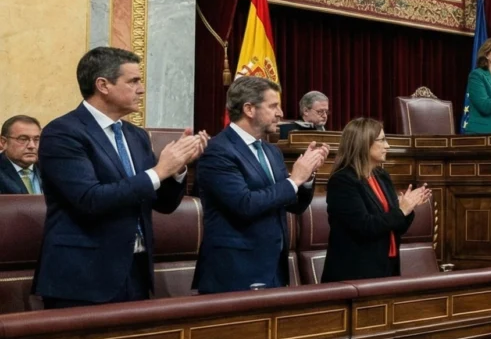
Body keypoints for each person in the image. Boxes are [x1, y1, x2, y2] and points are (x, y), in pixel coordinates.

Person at [35, 47, 205, 308]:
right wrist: (160, 170)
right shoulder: (62, 133)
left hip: (135, 269)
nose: (141, 89)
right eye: (133, 81)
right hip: (82, 277)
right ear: (103, 85)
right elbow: (89, 199)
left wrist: (178, 168)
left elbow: (164, 203)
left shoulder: (136, 135)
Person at [194, 76, 323, 293]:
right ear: (249, 109)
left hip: (274, 268)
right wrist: (294, 179)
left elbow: (293, 204)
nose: (281, 113)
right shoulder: (218, 151)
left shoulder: (272, 151)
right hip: (235, 272)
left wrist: (307, 178)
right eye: (273, 106)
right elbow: (244, 204)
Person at [322, 118, 430, 282]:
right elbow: (364, 227)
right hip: (355, 274)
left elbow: (396, 226)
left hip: (387, 268)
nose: (387, 146)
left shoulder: (382, 176)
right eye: (382, 140)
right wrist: (401, 210)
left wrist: (408, 208)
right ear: (363, 143)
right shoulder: (342, 181)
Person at [0, 115, 42, 195]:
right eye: (23, 139)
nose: (32, 146)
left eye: (36, 139)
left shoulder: (51, 169)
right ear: (3, 142)